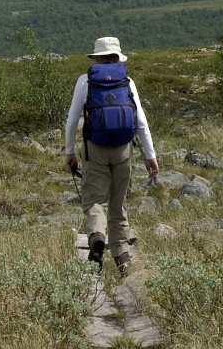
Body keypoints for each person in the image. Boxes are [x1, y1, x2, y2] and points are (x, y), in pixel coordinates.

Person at [63, 36, 159, 277]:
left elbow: (72, 120)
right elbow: (141, 122)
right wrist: (150, 155)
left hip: (94, 148)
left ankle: (97, 235)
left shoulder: (85, 81)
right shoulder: (127, 81)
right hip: (123, 149)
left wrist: (69, 152)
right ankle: (122, 257)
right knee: (118, 201)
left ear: (97, 59)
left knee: (94, 199)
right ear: (117, 58)